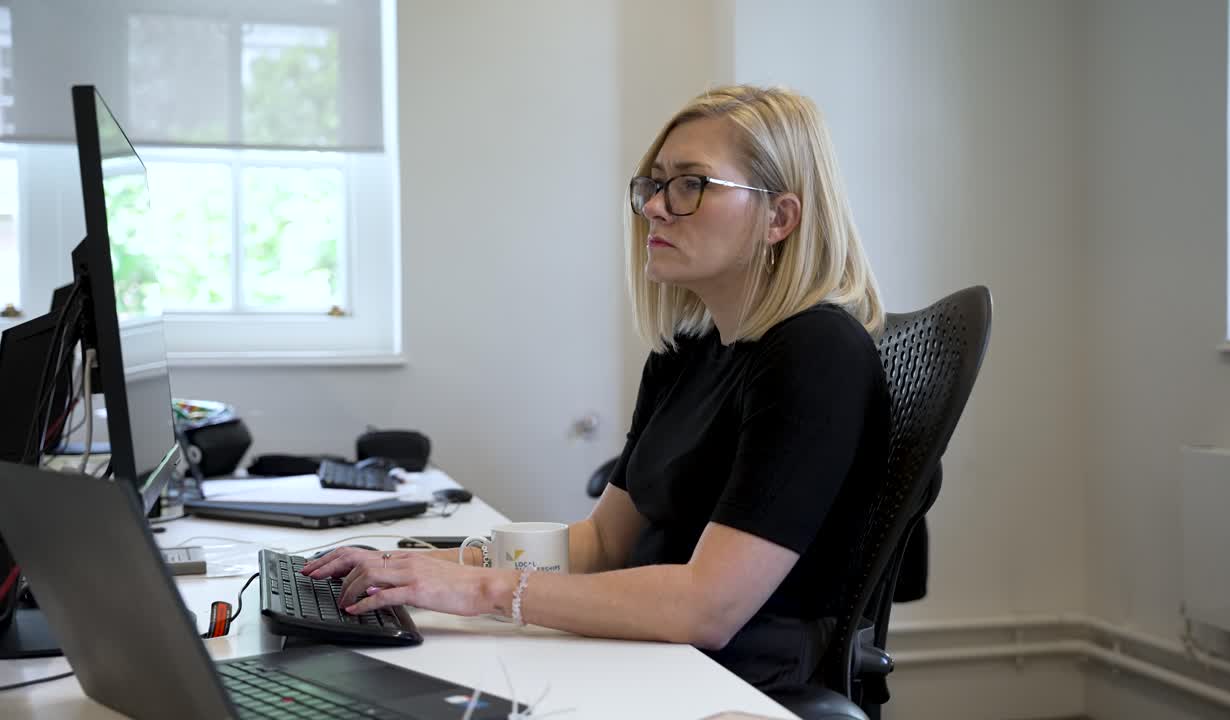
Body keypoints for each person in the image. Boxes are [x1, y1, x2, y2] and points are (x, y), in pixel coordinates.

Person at [303, 84, 890, 694]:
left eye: (692, 184)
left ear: (779, 217)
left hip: (734, 685)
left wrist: (481, 591)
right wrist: (419, 568)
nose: (657, 206)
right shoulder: (687, 353)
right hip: (650, 657)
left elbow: (707, 608)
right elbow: (605, 541)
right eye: (655, 184)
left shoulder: (818, 352)